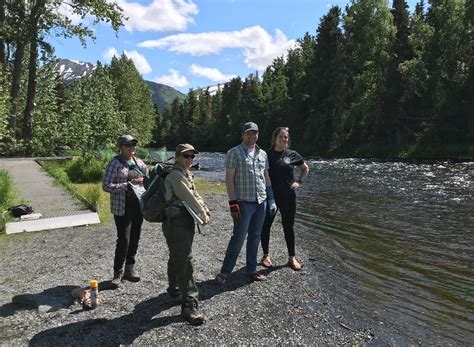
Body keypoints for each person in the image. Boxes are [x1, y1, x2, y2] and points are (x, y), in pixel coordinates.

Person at [215, 122, 277, 285]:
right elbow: (229, 179)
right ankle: (225, 272)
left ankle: (251, 269)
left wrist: (271, 199)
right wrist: (233, 202)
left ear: (258, 135)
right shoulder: (234, 152)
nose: (251, 136)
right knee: (238, 237)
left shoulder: (262, 154)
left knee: (255, 236)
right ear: (242, 135)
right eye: (248, 133)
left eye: (254, 133)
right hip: (243, 203)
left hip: (260, 202)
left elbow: (266, 177)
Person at [162, 143, 210, 326]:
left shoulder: (185, 173)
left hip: (182, 220)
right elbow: (187, 196)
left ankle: (174, 292)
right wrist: (203, 214)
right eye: (186, 156)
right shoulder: (175, 175)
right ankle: (189, 305)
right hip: (176, 223)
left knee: (177, 256)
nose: (190, 160)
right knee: (184, 260)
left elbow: (195, 194)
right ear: (177, 157)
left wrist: (205, 208)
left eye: (192, 156)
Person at [260, 127, 309, 271]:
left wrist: (299, 181)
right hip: (270, 197)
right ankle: (265, 255)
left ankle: (291, 258)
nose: (284, 139)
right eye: (281, 137)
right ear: (274, 138)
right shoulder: (265, 155)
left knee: (288, 227)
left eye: (286, 137)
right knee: (266, 226)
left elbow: (305, 168)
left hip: (288, 197)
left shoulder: (292, 154)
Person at [103, 134, 148, 286]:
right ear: (121, 147)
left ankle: (130, 269)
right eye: (128, 145)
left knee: (135, 237)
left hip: (138, 206)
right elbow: (106, 185)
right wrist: (128, 185)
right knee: (124, 240)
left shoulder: (140, 163)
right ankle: (117, 273)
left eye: (134, 144)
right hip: (122, 206)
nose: (132, 147)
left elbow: (148, 182)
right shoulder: (114, 163)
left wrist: (144, 182)